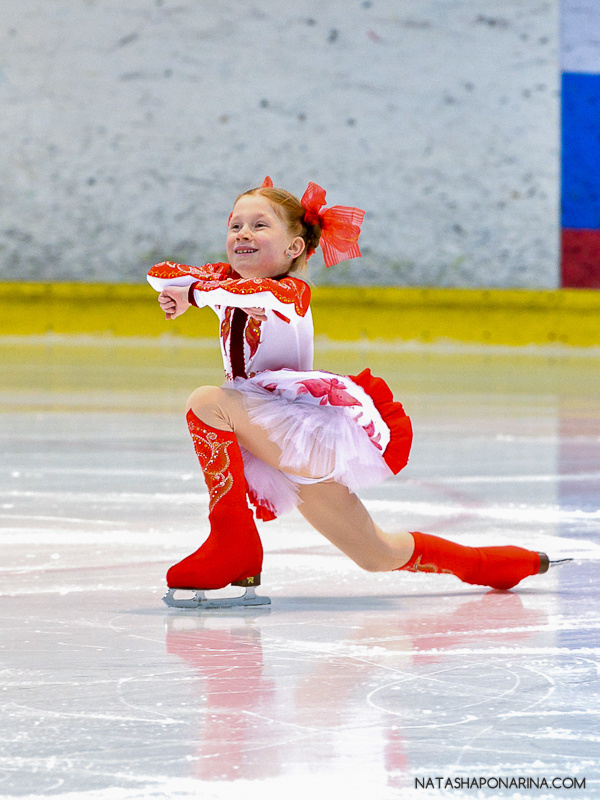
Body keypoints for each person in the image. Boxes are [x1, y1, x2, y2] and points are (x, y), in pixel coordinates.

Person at [147, 177, 557, 608]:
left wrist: (191, 295)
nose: (243, 234)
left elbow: (240, 292)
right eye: (235, 226)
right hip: (273, 439)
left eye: (260, 226)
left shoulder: (288, 291)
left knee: (207, 401)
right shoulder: (227, 283)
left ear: (294, 250)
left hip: (300, 433)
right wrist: (188, 292)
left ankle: (233, 545)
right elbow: (162, 274)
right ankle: (492, 564)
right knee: (377, 554)